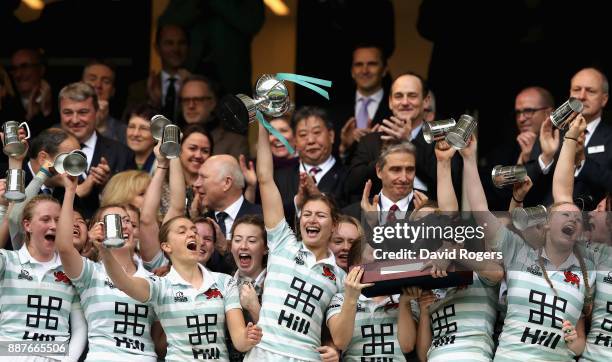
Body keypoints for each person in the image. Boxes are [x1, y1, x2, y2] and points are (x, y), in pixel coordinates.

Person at [460, 122, 593, 360]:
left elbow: (579, 344)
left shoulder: (587, 270)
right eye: (564, 214)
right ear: (546, 223)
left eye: (577, 218)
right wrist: (469, 159)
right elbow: (481, 211)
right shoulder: (518, 253)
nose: (572, 218)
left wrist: (575, 342)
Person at [242, 119, 345, 362]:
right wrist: (264, 125)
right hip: (263, 353)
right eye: (307, 214)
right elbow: (266, 179)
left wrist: (334, 348)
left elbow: (338, 326)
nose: (312, 220)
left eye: (320, 216)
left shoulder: (340, 276)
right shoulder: (282, 242)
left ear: (334, 226)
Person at [99, 214, 263, 360]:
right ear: (166, 246)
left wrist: (248, 337)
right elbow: (123, 282)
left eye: (194, 231)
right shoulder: (160, 285)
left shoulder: (225, 282)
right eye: (182, 231)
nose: (192, 233)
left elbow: (240, 341)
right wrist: (105, 251)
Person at [55, 175, 160, 361]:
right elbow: (64, 247)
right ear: (98, 230)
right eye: (114, 221)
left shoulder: (155, 279)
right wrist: (70, 191)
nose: (123, 227)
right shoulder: (90, 273)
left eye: (127, 221)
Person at [345, 72, 462, 204]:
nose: (405, 102)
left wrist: (410, 143)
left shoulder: (442, 139)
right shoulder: (370, 140)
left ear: (426, 101)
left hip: (429, 218)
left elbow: (454, 184)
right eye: (398, 96)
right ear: (390, 102)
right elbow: (351, 186)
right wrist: (388, 153)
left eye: (412, 96)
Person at [0, 195, 87, 361]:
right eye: (45, 219)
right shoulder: (7, 260)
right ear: (27, 225)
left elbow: (80, 327)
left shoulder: (72, 270)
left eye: (58, 220)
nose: (53, 226)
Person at [526, 68, 612, 208]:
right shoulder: (551, 133)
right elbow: (524, 188)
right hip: (546, 223)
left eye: (590, 91)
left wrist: (582, 162)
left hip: (594, 224)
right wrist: (546, 158)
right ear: (570, 94)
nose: (582, 96)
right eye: (577, 89)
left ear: (604, 99)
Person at [59, 82, 136, 218]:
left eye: (83, 112)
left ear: (97, 112)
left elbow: (133, 204)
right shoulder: (48, 152)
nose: (75, 120)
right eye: (68, 113)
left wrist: (108, 184)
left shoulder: (122, 154)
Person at [483, 86, 554, 211]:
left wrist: (533, 157)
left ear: (548, 113)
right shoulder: (506, 150)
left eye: (528, 111)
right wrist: (522, 162)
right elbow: (495, 197)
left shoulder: (560, 144)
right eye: (518, 113)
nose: (521, 119)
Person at [274, 106, 347, 223]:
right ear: (295, 141)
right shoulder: (279, 178)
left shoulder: (349, 175)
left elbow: (355, 220)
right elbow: (269, 219)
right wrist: (297, 202)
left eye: (317, 132)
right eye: (303, 135)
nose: (311, 140)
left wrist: (320, 198)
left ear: (331, 136)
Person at [335, 44, 391, 160]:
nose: (365, 70)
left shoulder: (397, 108)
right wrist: (344, 148)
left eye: (372, 64)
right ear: (352, 71)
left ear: (385, 70)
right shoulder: (336, 110)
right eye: (359, 64)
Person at [126, 24, 189, 120]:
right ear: (157, 48)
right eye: (169, 43)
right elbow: (128, 125)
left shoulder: (203, 88)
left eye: (181, 43)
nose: (176, 49)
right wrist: (153, 104)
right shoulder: (139, 89)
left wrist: (189, 90)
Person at [227, 215, 268, 361]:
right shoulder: (222, 284)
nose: (243, 246)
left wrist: (255, 308)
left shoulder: (277, 283)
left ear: (265, 248)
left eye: (251, 241)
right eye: (237, 240)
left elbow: (282, 337)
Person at [179, 75, 248, 159]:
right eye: (186, 100)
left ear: (213, 102)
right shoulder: (174, 138)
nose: (191, 105)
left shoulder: (235, 142)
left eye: (198, 99)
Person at [82, 59, 127, 144]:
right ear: (80, 84)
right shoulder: (63, 127)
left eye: (106, 81)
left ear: (113, 91)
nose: (98, 85)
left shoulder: (124, 131)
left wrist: (102, 127)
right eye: (92, 79)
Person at [9, 48, 53, 130]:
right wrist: (29, 116)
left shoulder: (59, 101)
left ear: (41, 69)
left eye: (25, 66)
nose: (18, 74)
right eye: (14, 69)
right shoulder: (7, 106)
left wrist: (46, 111)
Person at [125, 103, 159, 174]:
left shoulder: (163, 166)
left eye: (143, 128)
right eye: (131, 127)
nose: (135, 134)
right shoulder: (120, 162)